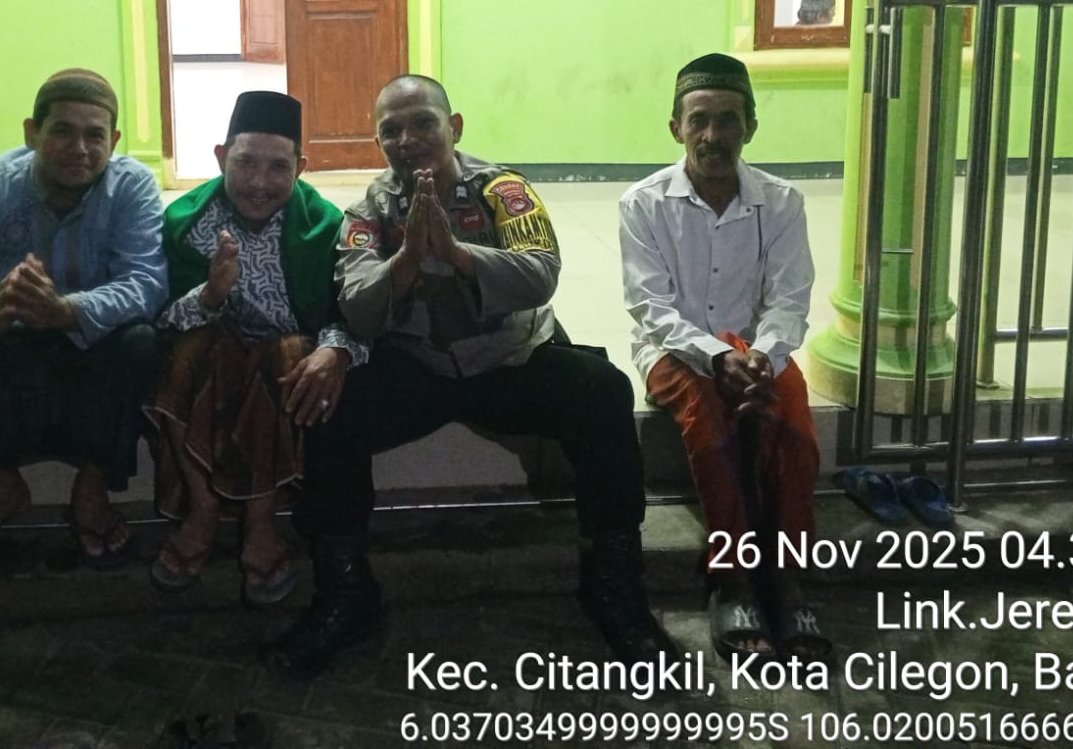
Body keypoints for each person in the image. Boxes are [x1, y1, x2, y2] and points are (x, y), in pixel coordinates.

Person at [268, 74, 673, 678]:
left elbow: (540, 273)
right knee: (329, 409)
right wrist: (407, 259)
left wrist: (457, 255)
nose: (408, 140)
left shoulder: (503, 190)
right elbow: (357, 307)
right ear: (379, 143)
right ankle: (346, 593)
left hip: (510, 362)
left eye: (422, 124)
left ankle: (614, 585)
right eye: (391, 131)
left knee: (604, 393)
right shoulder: (368, 211)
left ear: (453, 127)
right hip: (418, 368)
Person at [0, 68, 168, 571]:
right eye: (62, 131)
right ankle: (2, 490)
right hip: (11, 346)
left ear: (114, 142)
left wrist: (67, 311)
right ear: (31, 133)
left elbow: (147, 285)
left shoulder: (131, 187)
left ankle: (92, 489)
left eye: (95, 136)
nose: (79, 149)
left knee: (142, 343)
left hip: (88, 350)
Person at [616, 53, 826, 665]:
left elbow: (789, 300)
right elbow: (650, 307)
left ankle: (786, 579)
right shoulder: (643, 203)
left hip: (759, 352)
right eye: (699, 120)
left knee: (794, 418)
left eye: (728, 120)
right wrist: (715, 358)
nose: (713, 135)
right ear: (676, 128)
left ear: (750, 127)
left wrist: (760, 356)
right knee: (711, 416)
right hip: (674, 352)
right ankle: (732, 579)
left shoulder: (781, 202)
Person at [147, 91, 365, 607]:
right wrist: (210, 295)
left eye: (278, 167)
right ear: (221, 157)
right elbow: (159, 318)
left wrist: (333, 348)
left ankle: (259, 524)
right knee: (185, 351)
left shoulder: (325, 226)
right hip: (213, 352)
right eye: (245, 163)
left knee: (282, 359)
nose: (260, 183)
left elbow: (353, 313)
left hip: (284, 358)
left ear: (301, 168)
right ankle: (203, 508)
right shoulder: (186, 224)